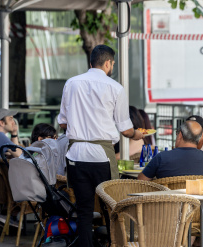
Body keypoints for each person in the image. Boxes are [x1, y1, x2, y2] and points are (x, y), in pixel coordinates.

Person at [57, 44, 144, 247]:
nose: (112, 66)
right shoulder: (115, 88)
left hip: (76, 156)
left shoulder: (71, 83)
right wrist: (137, 134)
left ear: (90, 62)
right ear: (107, 63)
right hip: (101, 157)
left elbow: (62, 123)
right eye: (112, 63)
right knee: (110, 208)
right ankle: (113, 243)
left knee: (84, 209)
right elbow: (125, 129)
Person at [138, 121, 203, 182]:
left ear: (180, 135)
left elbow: (141, 181)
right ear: (199, 139)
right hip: (201, 207)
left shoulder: (162, 157)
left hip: (168, 207)